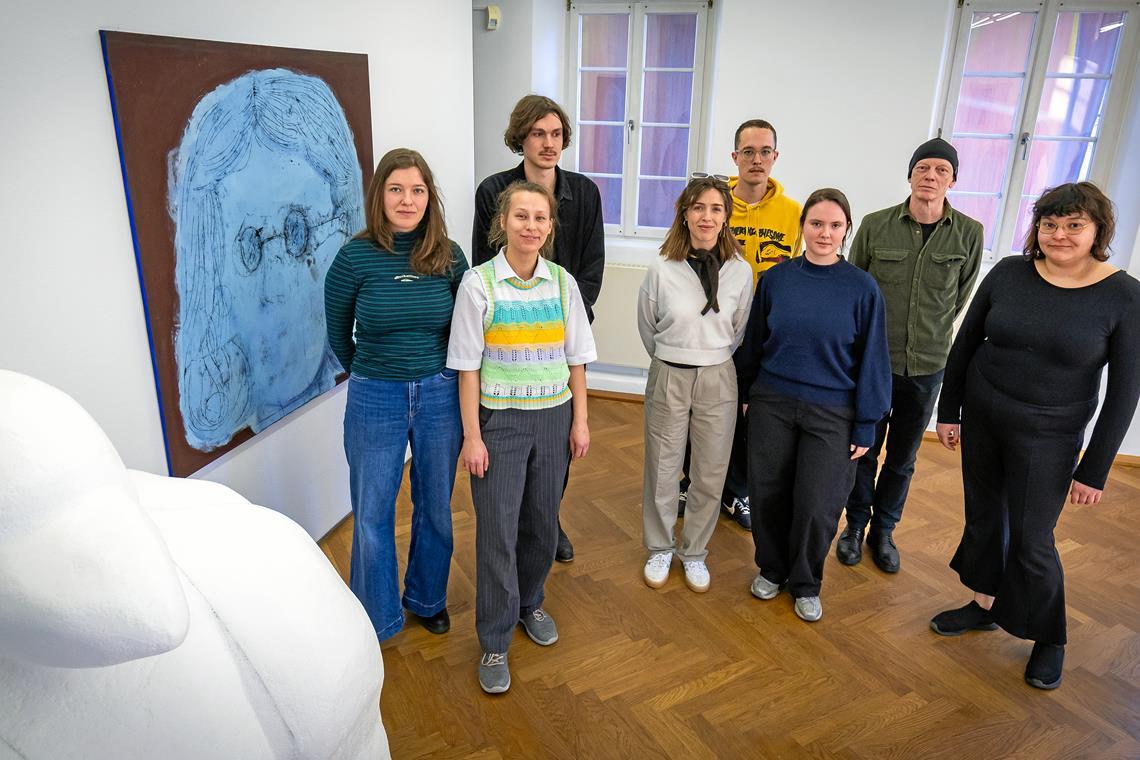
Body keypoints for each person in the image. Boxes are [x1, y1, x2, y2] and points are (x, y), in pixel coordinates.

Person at [930, 182, 1140, 690]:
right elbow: (965, 343)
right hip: (984, 414)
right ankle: (985, 604)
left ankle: (1050, 636)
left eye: (1074, 225)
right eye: (1050, 224)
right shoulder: (1009, 272)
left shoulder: (1123, 294)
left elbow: (1125, 392)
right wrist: (949, 410)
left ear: (1097, 232)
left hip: (1049, 433)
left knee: (1031, 539)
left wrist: (1095, 468)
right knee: (985, 517)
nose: (1059, 234)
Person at [449, 180, 597, 695]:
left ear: (550, 227)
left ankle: (529, 602)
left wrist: (580, 421)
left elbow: (576, 359)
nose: (531, 226)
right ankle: (493, 637)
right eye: (521, 217)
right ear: (502, 223)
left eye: (540, 218)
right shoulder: (478, 285)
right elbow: (468, 369)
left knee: (540, 524)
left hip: (554, 419)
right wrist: (473, 437)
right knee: (496, 531)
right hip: (500, 423)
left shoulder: (563, 284)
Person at [324, 148, 468, 643]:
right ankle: (377, 615)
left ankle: (428, 598)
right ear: (379, 195)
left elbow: (464, 335)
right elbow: (339, 333)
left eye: (418, 190)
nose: (407, 200)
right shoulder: (354, 258)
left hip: (439, 395)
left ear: (430, 198)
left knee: (435, 507)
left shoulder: (450, 257)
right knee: (371, 512)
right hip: (374, 397)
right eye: (396, 189)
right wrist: (374, 372)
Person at [736, 188, 891, 623]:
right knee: (767, 493)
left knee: (817, 501)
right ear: (802, 226)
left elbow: (873, 359)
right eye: (816, 223)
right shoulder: (777, 280)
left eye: (835, 225)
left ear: (846, 230)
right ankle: (772, 569)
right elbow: (754, 342)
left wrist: (866, 424)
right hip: (773, 403)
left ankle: (805, 582)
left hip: (834, 412)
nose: (825, 233)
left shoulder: (862, 289)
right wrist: (748, 394)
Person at [840, 137, 983, 573]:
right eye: (923, 168)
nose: (931, 176)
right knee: (863, 449)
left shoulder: (970, 233)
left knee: (902, 458)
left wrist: (929, 335)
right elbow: (856, 289)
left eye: (941, 170)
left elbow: (960, 299)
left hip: (927, 368)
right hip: (873, 365)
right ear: (910, 175)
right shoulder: (874, 224)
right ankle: (854, 529)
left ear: (953, 180)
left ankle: (884, 532)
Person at [473, 95, 605, 563]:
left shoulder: (585, 193)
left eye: (555, 134)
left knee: (558, 445)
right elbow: (482, 263)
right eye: (537, 134)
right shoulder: (493, 190)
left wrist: (564, 320)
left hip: (560, 335)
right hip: (506, 335)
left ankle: (548, 519)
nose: (548, 144)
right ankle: (519, 525)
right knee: (510, 455)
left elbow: (592, 269)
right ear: (520, 139)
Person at [679, 119, 801, 531]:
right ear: (735, 157)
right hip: (712, 328)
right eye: (747, 152)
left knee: (746, 415)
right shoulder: (715, 203)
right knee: (698, 409)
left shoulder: (793, 213)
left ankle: (736, 491)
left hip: (763, 334)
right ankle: (689, 482)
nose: (756, 159)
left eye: (764, 151)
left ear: (775, 157)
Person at [637, 177, 753, 593]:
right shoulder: (661, 268)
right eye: (698, 208)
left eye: (716, 209)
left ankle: (694, 552)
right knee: (663, 466)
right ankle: (660, 547)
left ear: (725, 217)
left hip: (719, 377)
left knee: (710, 470)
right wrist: (676, 358)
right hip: (670, 371)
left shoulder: (741, 271)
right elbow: (648, 327)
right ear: (684, 214)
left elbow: (737, 331)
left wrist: (708, 357)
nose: (707, 216)